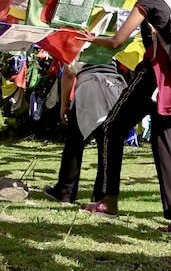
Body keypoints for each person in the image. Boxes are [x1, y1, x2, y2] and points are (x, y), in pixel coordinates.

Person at [79, 0, 171, 237]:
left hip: (153, 77)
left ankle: (108, 200)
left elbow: (118, 41)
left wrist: (92, 38)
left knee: (111, 127)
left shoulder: (148, 1)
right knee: (165, 147)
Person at [43, 62, 127, 204]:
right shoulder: (110, 39)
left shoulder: (79, 40)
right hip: (114, 88)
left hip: (89, 87)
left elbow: (69, 73)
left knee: (74, 143)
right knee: (106, 146)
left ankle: (65, 192)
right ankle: (101, 196)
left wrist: (64, 104)